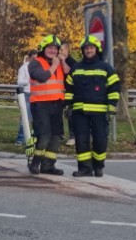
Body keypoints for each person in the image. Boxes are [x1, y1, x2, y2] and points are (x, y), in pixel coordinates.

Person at [65, 35, 120, 177]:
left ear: (97, 49)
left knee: (100, 140)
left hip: (99, 111)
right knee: (81, 140)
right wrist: (68, 106)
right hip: (79, 111)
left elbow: (114, 87)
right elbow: (69, 88)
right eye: (86, 48)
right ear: (83, 50)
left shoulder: (106, 68)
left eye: (91, 48)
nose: (89, 50)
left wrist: (112, 107)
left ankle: (98, 166)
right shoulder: (76, 68)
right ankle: (85, 169)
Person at [26, 34, 72, 175]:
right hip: (40, 105)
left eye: (55, 49)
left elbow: (69, 73)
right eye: (49, 48)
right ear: (43, 49)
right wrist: (54, 65)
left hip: (56, 104)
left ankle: (48, 165)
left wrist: (62, 62)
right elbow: (41, 77)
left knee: (56, 136)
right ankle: (35, 163)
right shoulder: (35, 62)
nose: (52, 51)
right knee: (44, 135)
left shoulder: (57, 63)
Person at [14, 50, 33, 145]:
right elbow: (19, 82)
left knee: (34, 118)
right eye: (33, 58)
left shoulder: (37, 67)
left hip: (35, 93)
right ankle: (20, 139)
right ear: (29, 57)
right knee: (25, 117)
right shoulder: (23, 68)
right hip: (26, 93)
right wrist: (28, 81)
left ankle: (32, 138)